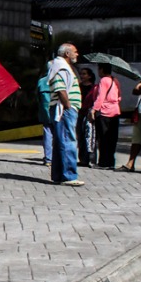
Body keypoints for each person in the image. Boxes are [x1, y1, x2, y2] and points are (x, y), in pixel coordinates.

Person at [47, 43, 84, 187]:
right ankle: (69, 175)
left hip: (65, 109)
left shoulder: (63, 66)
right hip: (64, 109)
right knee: (68, 141)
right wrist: (68, 106)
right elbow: (61, 89)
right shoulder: (60, 67)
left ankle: (59, 175)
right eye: (75, 52)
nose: (77, 54)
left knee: (60, 141)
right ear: (67, 54)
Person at [90, 63, 121, 169]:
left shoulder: (103, 80)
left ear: (102, 69)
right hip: (115, 111)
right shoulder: (115, 80)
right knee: (112, 138)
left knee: (103, 139)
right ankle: (111, 161)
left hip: (104, 112)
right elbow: (119, 97)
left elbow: (100, 97)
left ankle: (103, 162)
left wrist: (94, 110)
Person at [77, 67, 97, 167]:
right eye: (81, 74)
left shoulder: (94, 88)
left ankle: (91, 159)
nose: (82, 76)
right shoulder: (78, 86)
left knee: (89, 136)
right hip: (80, 113)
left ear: (89, 76)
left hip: (89, 113)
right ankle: (82, 159)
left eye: (84, 74)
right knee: (80, 135)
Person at [36, 63, 53, 166]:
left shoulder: (41, 81)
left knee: (47, 134)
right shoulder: (58, 80)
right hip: (57, 111)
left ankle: (48, 158)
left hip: (45, 111)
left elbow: (37, 97)